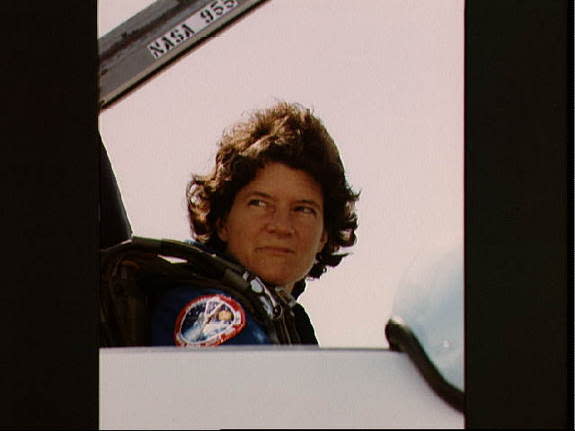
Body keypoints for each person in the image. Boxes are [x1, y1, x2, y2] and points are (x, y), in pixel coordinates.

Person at [149, 101, 359, 346]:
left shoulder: (283, 319)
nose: (281, 226)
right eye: (259, 204)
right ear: (222, 221)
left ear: (324, 234)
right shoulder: (208, 313)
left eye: (302, 209)